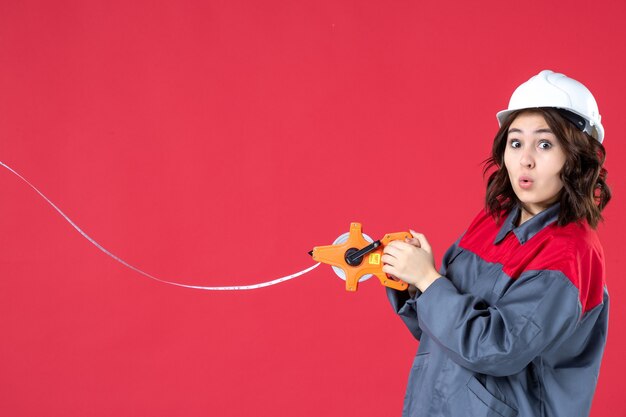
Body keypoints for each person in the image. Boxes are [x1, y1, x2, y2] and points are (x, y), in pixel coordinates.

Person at [382, 70, 610, 417]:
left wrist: (429, 281)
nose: (525, 159)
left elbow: (499, 349)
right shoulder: (491, 223)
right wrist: (409, 280)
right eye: (516, 142)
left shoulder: (571, 254)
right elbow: (439, 330)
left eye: (545, 144)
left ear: (577, 157)